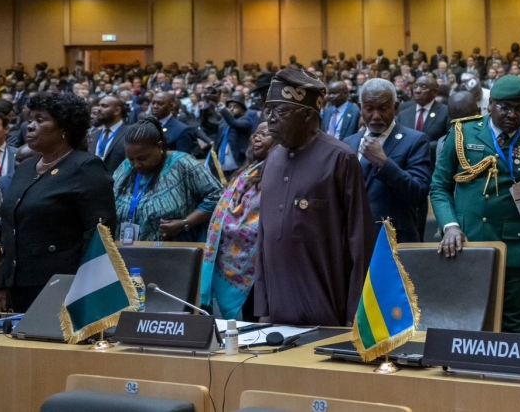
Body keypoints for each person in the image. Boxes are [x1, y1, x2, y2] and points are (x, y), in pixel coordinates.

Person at [255, 68, 374, 327]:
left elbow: (360, 243)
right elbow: (263, 239)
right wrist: (263, 308)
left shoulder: (340, 158)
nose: (271, 120)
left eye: (281, 111)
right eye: (268, 111)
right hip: (276, 314)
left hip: (327, 311)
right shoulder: (272, 159)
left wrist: (356, 316)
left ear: (309, 115)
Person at [432, 76, 520, 332]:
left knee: (513, 327)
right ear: (490, 104)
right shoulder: (462, 133)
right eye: (505, 107)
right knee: (464, 325)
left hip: (515, 251)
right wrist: (449, 225)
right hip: (466, 245)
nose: (512, 115)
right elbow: (439, 187)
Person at [0, 92, 116, 313]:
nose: (29, 126)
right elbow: (8, 229)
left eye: (40, 120)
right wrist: (1, 283)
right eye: (30, 119)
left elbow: (100, 234)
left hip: (63, 285)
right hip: (18, 284)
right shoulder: (24, 168)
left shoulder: (86, 167)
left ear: (64, 129)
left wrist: (83, 287)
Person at [343, 79, 432, 243]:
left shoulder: (415, 140)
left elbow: (419, 193)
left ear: (395, 107)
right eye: (369, 108)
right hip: (355, 240)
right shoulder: (349, 142)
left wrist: (383, 162)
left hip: (394, 242)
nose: (376, 116)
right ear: (360, 107)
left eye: (383, 108)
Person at [200, 121, 271, 321]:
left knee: (255, 318)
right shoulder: (248, 171)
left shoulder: (278, 172)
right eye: (256, 134)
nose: (257, 137)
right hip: (229, 253)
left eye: (265, 134)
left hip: (257, 261)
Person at [114, 119, 222, 243]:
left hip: (173, 253)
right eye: (131, 159)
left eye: (142, 158)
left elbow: (217, 197)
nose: (136, 164)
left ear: (159, 146)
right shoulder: (125, 167)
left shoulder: (182, 164)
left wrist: (185, 223)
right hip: (127, 250)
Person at [211, 92, 256, 179]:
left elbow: (234, 123)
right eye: (229, 106)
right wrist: (204, 110)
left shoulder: (246, 121)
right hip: (221, 165)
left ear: (243, 110)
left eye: (235, 107)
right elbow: (210, 126)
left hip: (238, 164)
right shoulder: (224, 121)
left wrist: (223, 109)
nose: (231, 109)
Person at [89, 94, 128, 172]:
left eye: (104, 106)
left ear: (117, 111)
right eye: (99, 105)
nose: (99, 109)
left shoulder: (130, 133)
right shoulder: (93, 135)